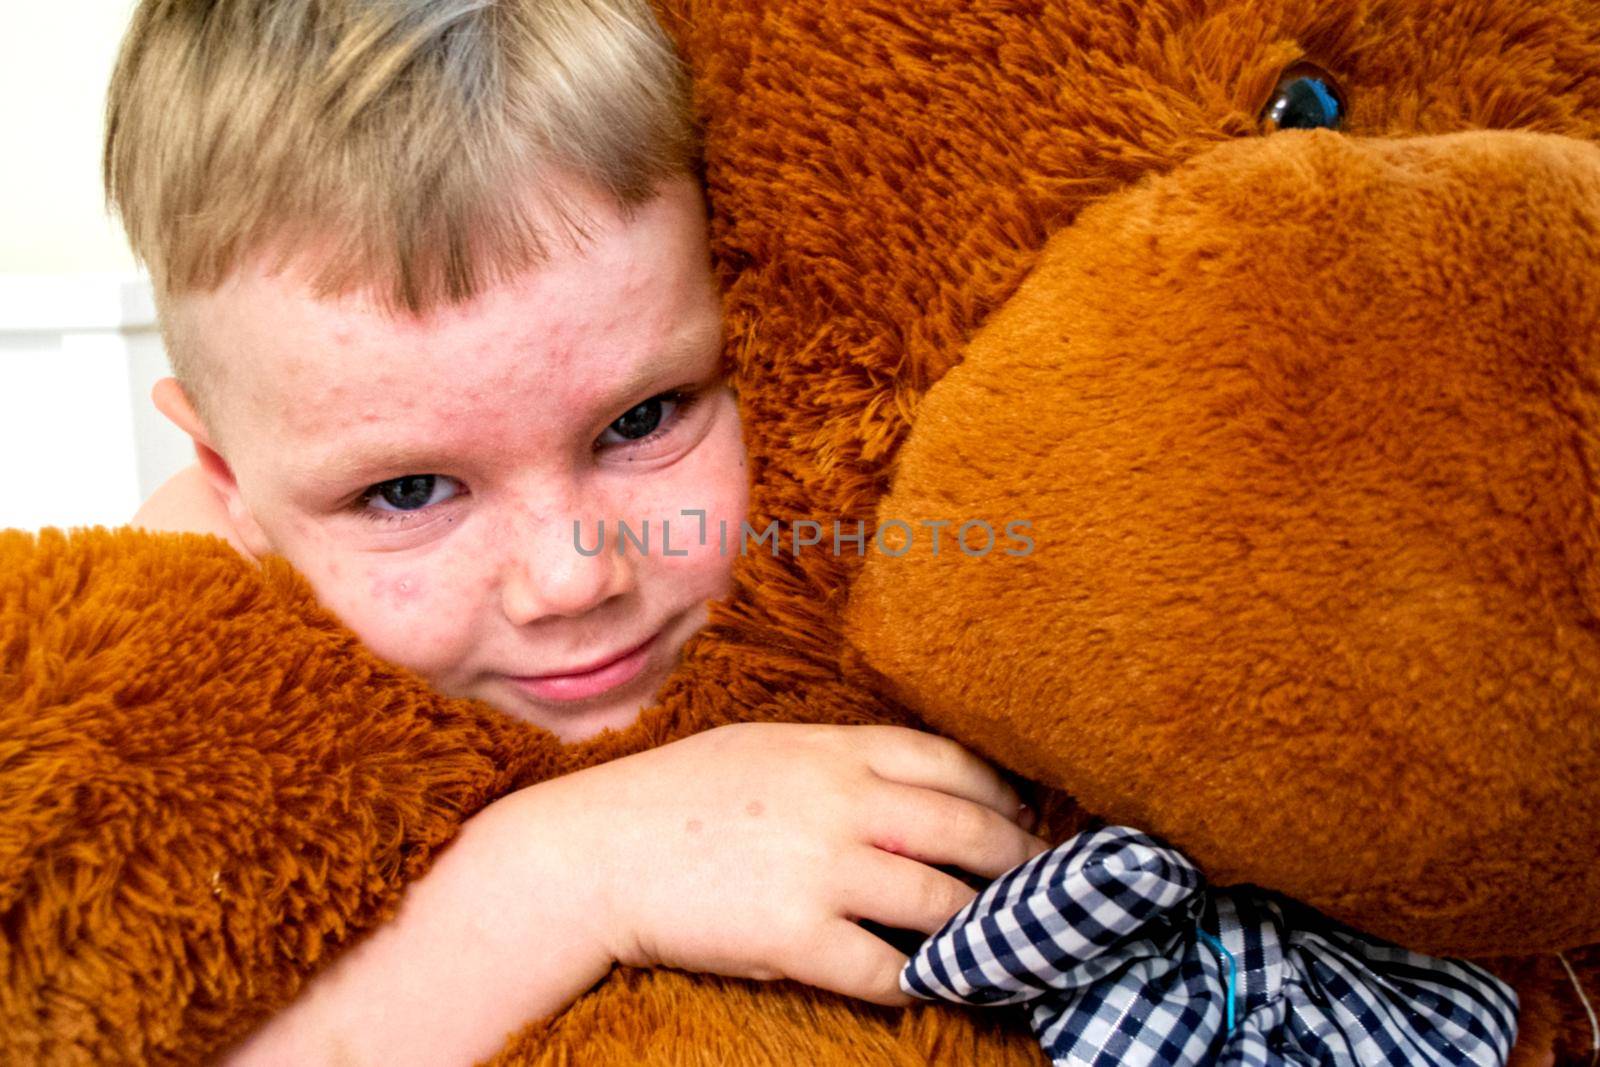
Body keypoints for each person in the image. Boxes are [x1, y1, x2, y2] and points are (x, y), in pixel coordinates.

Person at [105, 1, 1048, 1064]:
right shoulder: (183, 681)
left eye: (641, 420)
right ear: (230, 480)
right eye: (409, 491)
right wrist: (574, 873)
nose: (569, 578)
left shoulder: (896, 515)